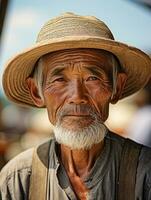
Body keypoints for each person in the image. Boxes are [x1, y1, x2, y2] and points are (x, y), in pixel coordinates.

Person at [0, 12, 151, 200]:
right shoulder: (17, 180)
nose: (77, 97)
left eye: (92, 78)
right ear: (36, 92)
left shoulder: (145, 174)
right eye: (59, 79)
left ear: (117, 87)